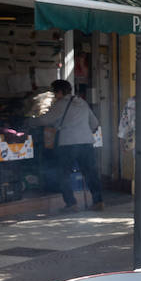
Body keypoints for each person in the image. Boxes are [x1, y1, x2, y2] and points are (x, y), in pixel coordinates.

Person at [36, 79, 103, 212]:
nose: (55, 96)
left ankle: (71, 204)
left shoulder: (61, 104)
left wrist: (29, 122)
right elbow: (95, 123)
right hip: (86, 143)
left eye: (55, 93)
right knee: (90, 173)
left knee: (63, 174)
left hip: (68, 144)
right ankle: (98, 202)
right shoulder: (82, 102)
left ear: (60, 92)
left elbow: (44, 119)